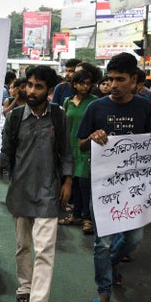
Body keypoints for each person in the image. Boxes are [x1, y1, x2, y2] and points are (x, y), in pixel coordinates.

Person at [77, 52, 151, 302]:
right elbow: (81, 146)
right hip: (102, 185)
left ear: (135, 81)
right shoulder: (96, 108)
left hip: (133, 186)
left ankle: (111, 265)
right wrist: (92, 137)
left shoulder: (146, 108)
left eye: (120, 79)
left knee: (133, 238)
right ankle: (104, 290)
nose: (113, 85)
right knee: (102, 242)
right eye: (110, 79)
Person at [0, 65, 74, 302]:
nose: (31, 90)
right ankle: (25, 287)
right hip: (20, 191)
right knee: (23, 246)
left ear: (49, 91)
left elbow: (66, 152)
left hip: (49, 193)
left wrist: (68, 181)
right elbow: (6, 153)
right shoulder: (15, 117)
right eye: (29, 85)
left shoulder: (59, 117)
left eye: (38, 86)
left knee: (45, 250)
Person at [58, 69, 96, 234]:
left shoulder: (94, 102)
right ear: (74, 84)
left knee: (84, 184)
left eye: (88, 83)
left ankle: (88, 218)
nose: (86, 86)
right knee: (73, 183)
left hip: (86, 147)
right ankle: (76, 215)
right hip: (70, 147)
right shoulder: (67, 101)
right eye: (82, 83)